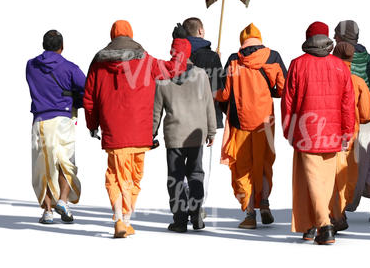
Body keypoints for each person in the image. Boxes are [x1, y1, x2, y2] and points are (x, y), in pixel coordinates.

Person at [84, 20, 190, 238]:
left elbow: (90, 98)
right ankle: (126, 220)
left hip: (114, 132)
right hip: (140, 132)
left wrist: (92, 125)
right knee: (134, 177)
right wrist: (179, 41)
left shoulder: (98, 62)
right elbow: (175, 68)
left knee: (115, 175)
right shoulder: (146, 60)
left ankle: (120, 220)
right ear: (131, 36)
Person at [282, 21, 356, 245]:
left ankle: (324, 227)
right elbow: (347, 103)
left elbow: (288, 102)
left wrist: (289, 131)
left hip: (307, 132)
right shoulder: (340, 66)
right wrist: (346, 132)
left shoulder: (297, 64)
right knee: (322, 183)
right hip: (333, 133)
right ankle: (311, 225)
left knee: (311, 181)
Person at [215, 23, 286, 229]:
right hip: (266, 122)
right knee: (264, 163)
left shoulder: (234, 59)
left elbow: (225, 94)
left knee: (242, 168)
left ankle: (249, 214)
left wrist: (215, 77)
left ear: (242, 40)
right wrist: (269, 91)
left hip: (240, 122)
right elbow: (283, 89)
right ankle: (264, 203)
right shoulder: (273, 57)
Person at [153, 51, 217, 233]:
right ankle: (196, 211)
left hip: (174, 135)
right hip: (196, 135)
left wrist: (151, 133)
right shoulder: (201, 74)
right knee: (196, 174)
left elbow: (156, 110)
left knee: (176, 178)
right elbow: (208, 105)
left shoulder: (163, 77)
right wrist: (211, 130)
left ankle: (180, 220)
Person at [26, 30, 85, 224]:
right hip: (63, 121)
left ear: (43, 45)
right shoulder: (70, 68)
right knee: (65, 164)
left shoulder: (30, 66)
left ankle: (48, 211)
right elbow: (87, 88)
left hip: (41, 121)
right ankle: (63, 201)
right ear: (62, 46)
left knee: (44, 167)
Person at [334, 20, 370, 222]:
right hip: (367, 118)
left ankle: (341, 208)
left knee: (342, 162)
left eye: (336, 34)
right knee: (368, 159)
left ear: (341, 37)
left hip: (342, 121)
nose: (334, 37)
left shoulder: (336, 60)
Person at [329, 42, 370, 233]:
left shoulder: (326, 80)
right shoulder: (357, 81)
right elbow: (366, 114)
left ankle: (331, 212)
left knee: (330, 175)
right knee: (347, 176)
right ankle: (340, 211)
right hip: (350, 136)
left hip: (327, 136)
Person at [182, 17, 225, 129]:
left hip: (184, 113)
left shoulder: (179, 55)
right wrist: (215, 59)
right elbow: (219, 86)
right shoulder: (211, 56)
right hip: (209, 114)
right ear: (200, 30)